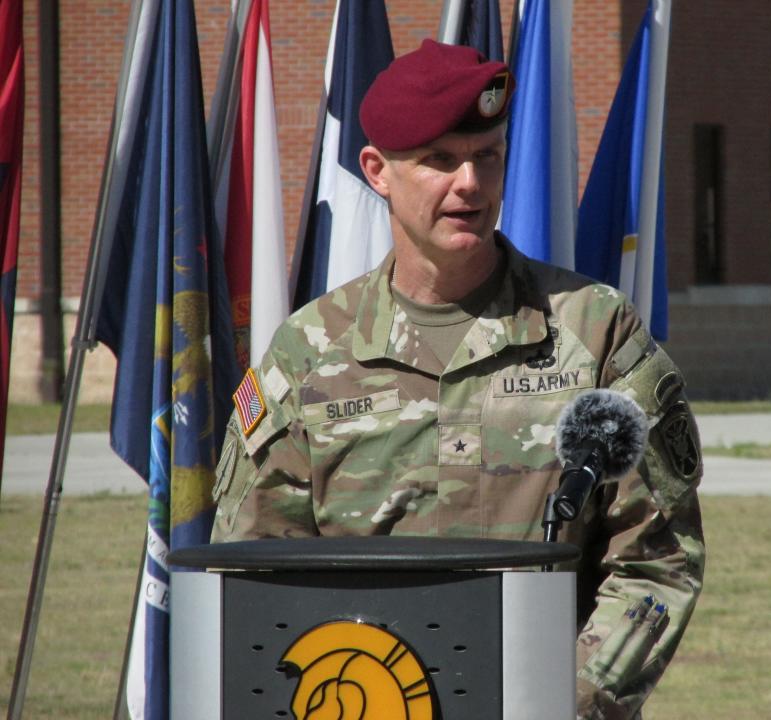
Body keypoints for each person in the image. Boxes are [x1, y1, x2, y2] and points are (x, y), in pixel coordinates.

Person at [211, 38, 705, 719]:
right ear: (378, 171)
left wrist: (565, 702)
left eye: (486, 157)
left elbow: (657, 559)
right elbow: (257, 565)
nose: (469, 184)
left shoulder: (596, 334)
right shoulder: (309, 352)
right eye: (440, 161)